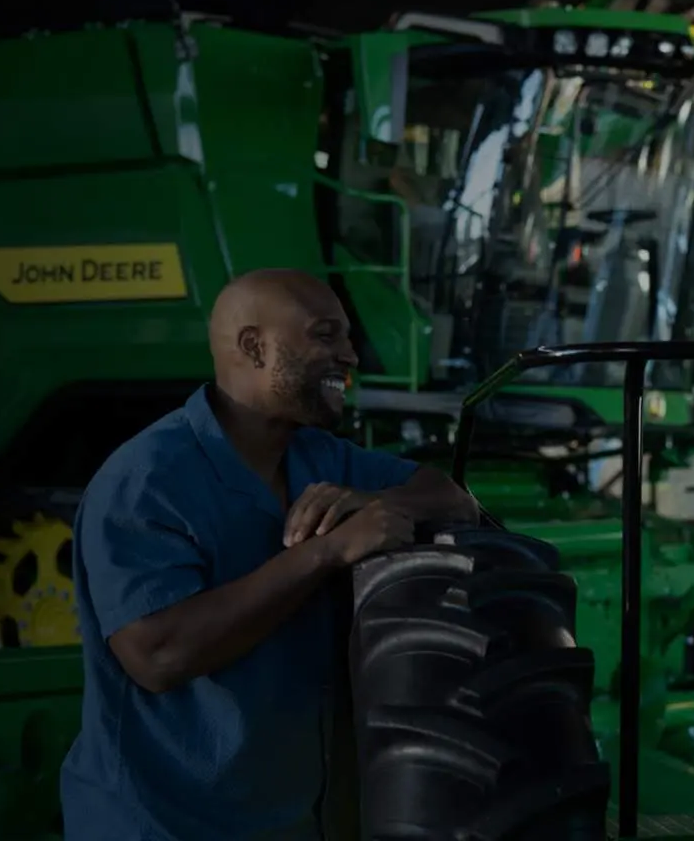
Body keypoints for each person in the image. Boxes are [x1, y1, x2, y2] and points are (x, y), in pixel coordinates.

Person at [58, 268, 481, 840]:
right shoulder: (146, 480)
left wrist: (372, 500)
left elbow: (453, 499)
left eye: (348, 338)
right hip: (159, 826)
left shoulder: (323, 459)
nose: (350, 355)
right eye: (326, 335)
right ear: (254, 347)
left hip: (287, 822)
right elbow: (157, 656)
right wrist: (325, 552)